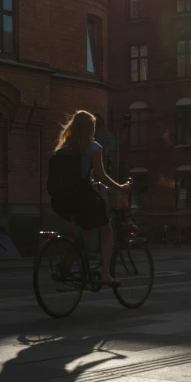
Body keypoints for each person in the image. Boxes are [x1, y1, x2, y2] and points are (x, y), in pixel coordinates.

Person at [49, 110, 130, 286]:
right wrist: (120, 187)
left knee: (87, 231)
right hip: (83, 198)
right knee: (106, 229)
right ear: (90, 128)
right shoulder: (93, 147)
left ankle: (66, 266)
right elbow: (101, 176)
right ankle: (106, 275)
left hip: (61, 199)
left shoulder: (63, 148)